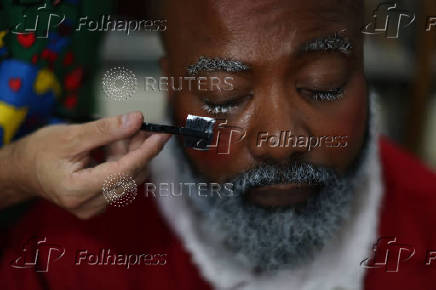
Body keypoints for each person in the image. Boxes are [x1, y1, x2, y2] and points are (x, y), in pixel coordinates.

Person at [1, 0, 436, 289]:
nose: (279, 143)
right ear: (171, 86)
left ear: (361, 69)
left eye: (322, 85)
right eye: (224, 95)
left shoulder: (426, 231)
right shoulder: (65, 259)